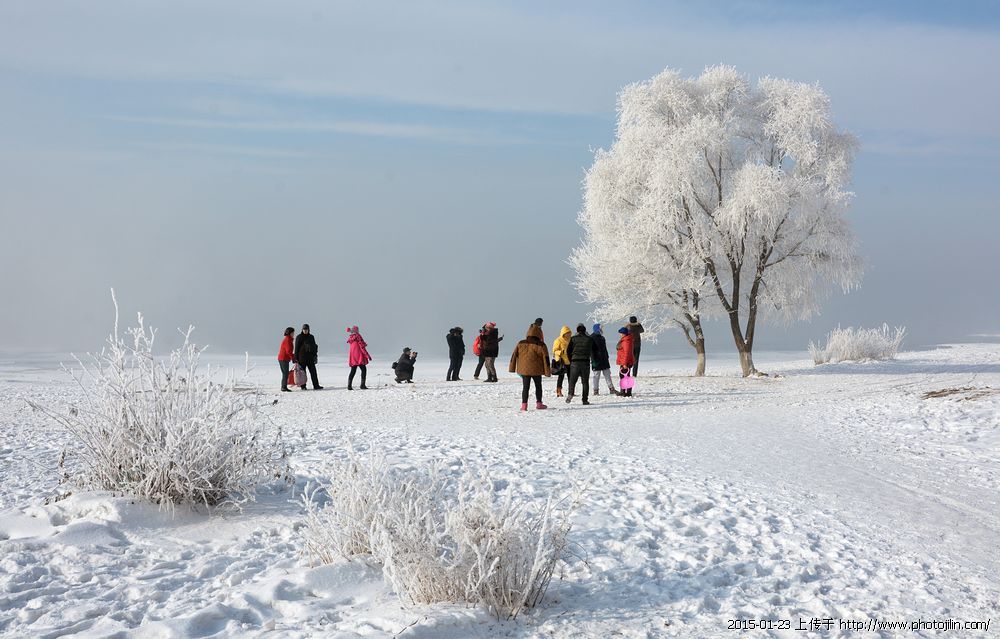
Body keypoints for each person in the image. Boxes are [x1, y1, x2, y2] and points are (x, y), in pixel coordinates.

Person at [508, 324, 550, 411]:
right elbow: (546, 359)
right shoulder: (541, 344)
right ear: (539, 334)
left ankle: (524, 406)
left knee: (525, 387)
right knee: (538, 386)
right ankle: (539, 404)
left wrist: (512, 368)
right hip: (537, 370)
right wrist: (547, 371)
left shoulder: (521, 343)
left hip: (524, 370)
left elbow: (514, 355)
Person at [565, 324, 594, 404]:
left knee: (572, 380)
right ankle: (585, 400)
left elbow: (568, 351)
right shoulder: (589, 339)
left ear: (577, 331)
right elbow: (594, 349)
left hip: (575, 362)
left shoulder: (573, 339)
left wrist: (571, 360)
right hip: (585, 362)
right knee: (585, 382)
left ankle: (570, 394)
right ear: (585, 330)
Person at [590, 324, 619, 396]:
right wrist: (593, 359)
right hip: (596, 360)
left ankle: (611, 389)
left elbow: (605, 349)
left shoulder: (602, 338)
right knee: (596, 376)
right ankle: (596, 390)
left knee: (607, 374)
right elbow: (591, 350)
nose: (602, 330)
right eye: (600, 328)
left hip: (604, 359)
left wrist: (607, 356)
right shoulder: (591, 338)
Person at [294, 324, 323, 390]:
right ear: (302, 329)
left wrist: (315, 355)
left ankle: (316, 385)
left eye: (306, 329)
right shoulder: (299, 337)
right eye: (304, 329)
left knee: (313, 372)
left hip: (310, 357)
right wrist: (296, 358)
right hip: (302, 358)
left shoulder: (311, 337)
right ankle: (303, 386)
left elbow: (314, 347)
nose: (305, 330)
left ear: (308, 330)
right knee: (302, 373)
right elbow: (296, 348)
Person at [346, 326, 372, 390]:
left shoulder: (351, 338)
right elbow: (362, 347)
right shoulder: (358, 336)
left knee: (353, 370)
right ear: (356, 330)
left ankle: (349, 386)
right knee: (364, 370)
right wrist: (367, 355)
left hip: (353, 357)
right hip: (359, 356)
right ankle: (362, 385)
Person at [551, 325, 572, 397]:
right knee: (561, 377)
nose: (568, 334)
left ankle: (571, 391)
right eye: (567, 333)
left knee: (571, 377)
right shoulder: (558, 340)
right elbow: (554, 351)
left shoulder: (571, 340)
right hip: (561, 361)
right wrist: (561, 352)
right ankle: (558, 391)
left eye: (569, 332)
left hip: (569, 361)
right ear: (563, 333)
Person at [616, 326, 636, 397]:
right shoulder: (626, 340)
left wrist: (624, 364)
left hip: (626, 362)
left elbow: (627, 353)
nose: (620, 335)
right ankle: (625, 391)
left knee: (624, 376)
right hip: (625, 361)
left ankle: (625, 392)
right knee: (625, 376)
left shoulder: (626, 341)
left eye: (621, 333)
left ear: (624, 334)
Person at [278, 327, 296, 392]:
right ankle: (283, 387)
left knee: (285, 373)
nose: (293, 334)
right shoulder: (288, 340)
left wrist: (293, 357)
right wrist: (293, 358)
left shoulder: (288, 339)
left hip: (283, 358)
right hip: (283, 359)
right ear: (290, 333)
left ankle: (284, 386)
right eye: (293, 333)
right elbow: (288, 351)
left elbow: (289, 351)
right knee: (285, 373)